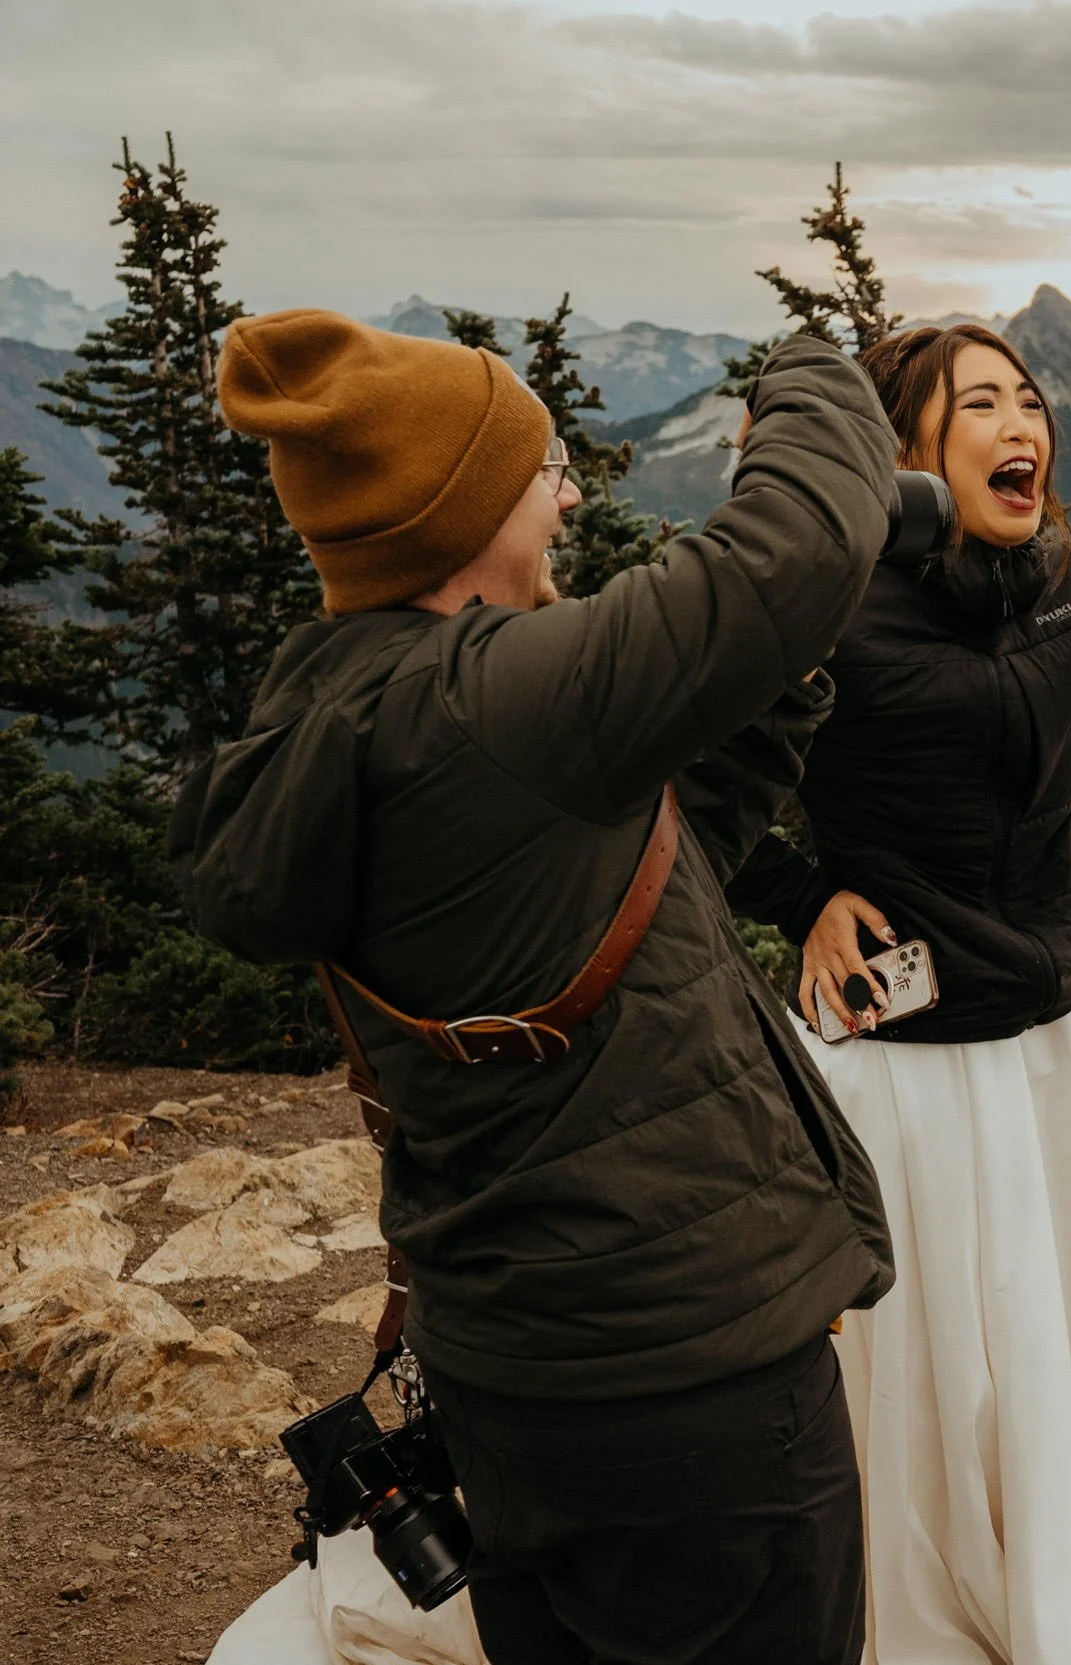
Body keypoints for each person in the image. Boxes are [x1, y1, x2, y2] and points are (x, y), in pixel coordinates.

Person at [172, 310, 902, 1665]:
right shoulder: (502, 703)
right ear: (459, 515)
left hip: (512, 1380)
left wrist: (770, 684)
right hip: (691, 1377)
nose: (570, 495)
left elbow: (643, 872)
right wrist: (811, 359)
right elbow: (801, 543)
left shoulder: (338, 714)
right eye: (546, 470)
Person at [726, 322, 1071, 1665]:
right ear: (905, 450)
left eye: (1028, 400)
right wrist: (801, 897)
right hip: (905, 1060)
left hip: (1067, 1047)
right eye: (976, 402)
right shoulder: (821, 604)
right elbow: (674, 789)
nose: (1017, 422)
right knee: (925, 1386)